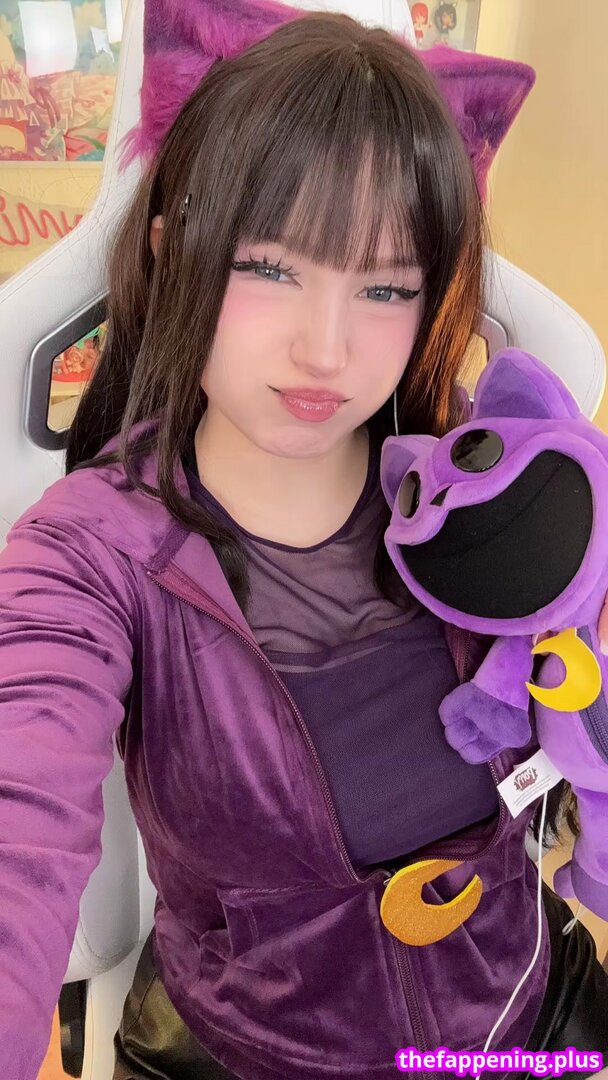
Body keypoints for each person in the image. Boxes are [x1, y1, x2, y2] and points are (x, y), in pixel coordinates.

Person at [1, 11, 608, 1080]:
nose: (326, 350)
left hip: (528, 1026)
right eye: (269, 267)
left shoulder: (483, 492)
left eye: (385, 288)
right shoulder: (88, 554)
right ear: (173, 250)